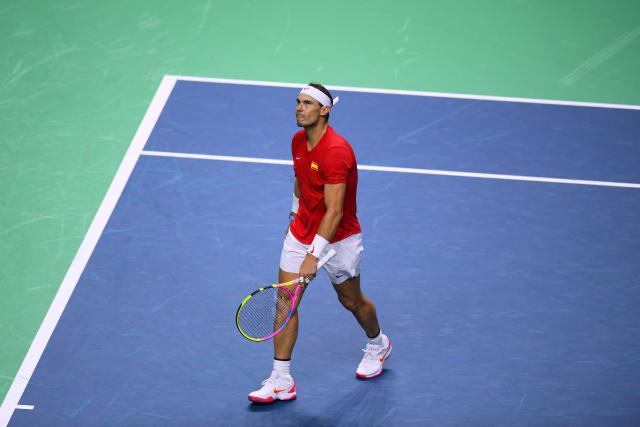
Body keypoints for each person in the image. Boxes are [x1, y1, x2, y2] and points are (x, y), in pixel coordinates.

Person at [248, 83, 391, 403]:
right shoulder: (298, 140)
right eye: (297, 102)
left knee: (351, 301)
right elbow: (300, 181)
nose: (299, 108)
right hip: (301, 232)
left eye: (308, 104)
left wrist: (314, 254)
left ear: (324, 110)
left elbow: (336, 210)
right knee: (285, 301)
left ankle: (378, 343)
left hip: (339, 239)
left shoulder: (337, 152)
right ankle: (281, 379)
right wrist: (294, 217)